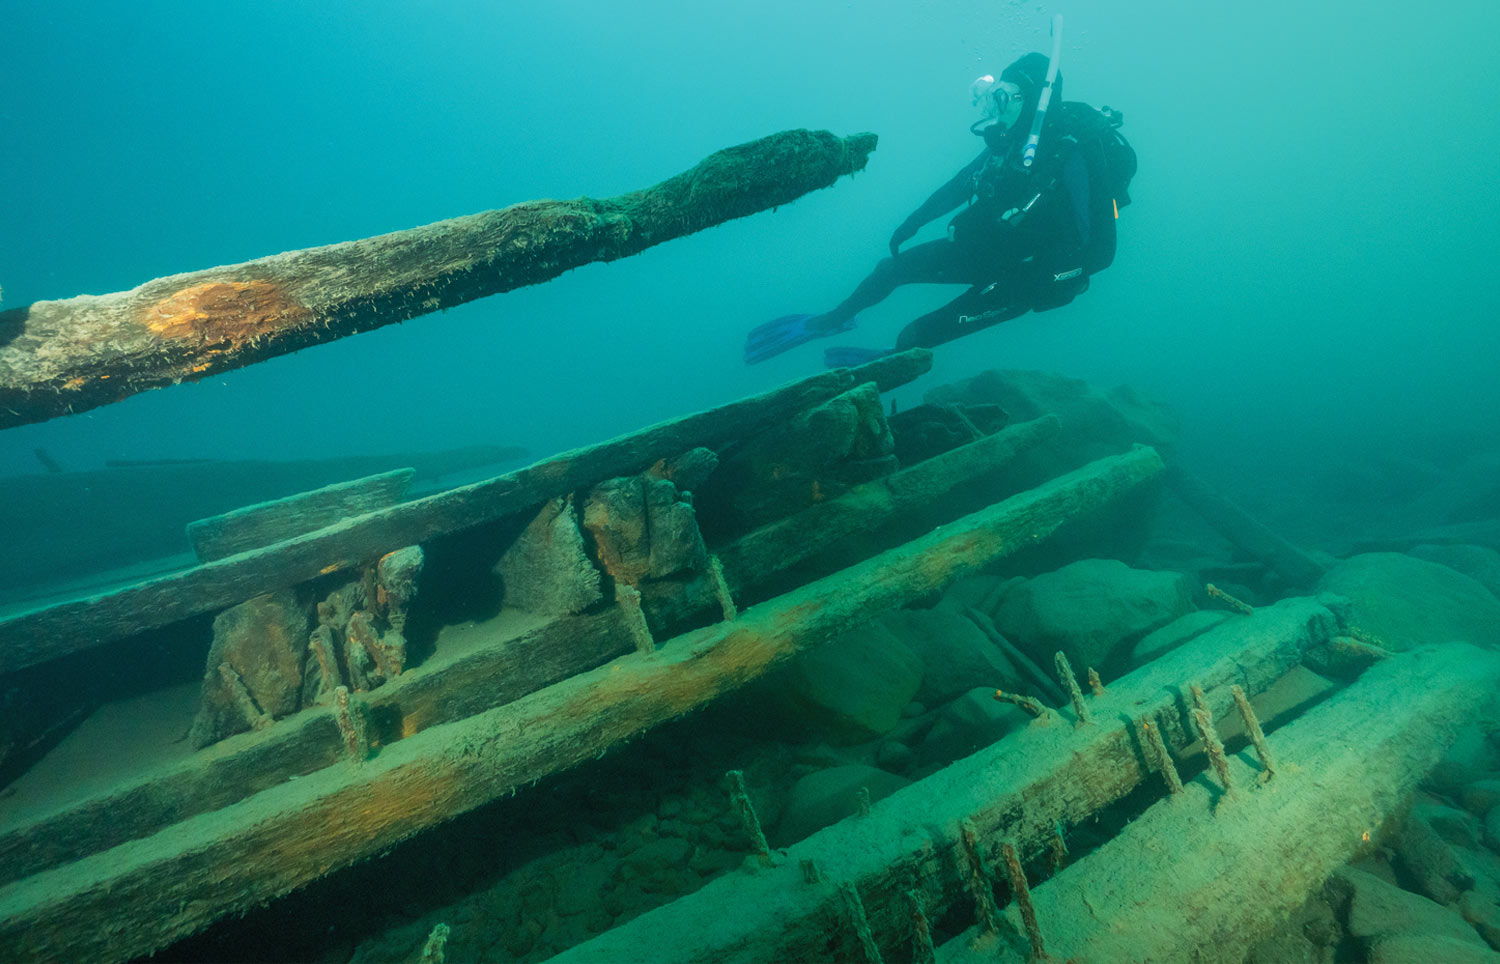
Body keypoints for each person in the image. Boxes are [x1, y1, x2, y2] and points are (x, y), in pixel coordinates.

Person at [744, 48, 1135, 367]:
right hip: (990, 249)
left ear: (1030, 100)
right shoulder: (1008, 142)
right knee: (890, 269)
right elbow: (959, 185)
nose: (993, 110)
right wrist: (913, 222)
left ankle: (894, 363)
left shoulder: (1073, 152)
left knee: (916, 335)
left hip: (1030, 273)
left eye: (1002, 98)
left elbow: (1102, 252)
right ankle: (830, 322)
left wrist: (1038, 279)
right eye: (990, 97)